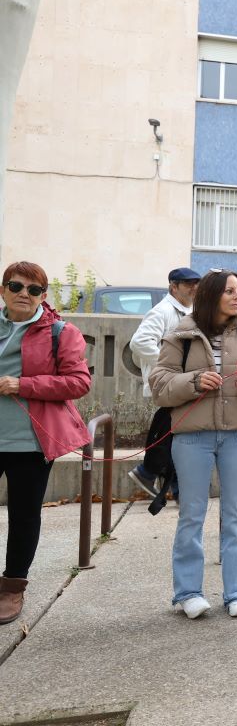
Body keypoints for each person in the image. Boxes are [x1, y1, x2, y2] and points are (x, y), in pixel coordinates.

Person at [150, 270, 237, 619]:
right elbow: (159, 385)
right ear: (211, 295)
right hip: (191, 438)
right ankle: (188, 593)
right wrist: (194, 381)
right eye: (229, 291)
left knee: (236, 515)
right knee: (191, 515)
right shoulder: (181, 335)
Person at [0, 262, 91, 625]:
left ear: (44, 295)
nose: (25, 293)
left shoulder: (60, 332)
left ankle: (12, 586)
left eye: (34, 289)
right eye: (16, 285)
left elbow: (78, 382)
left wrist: (23, 385)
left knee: (23, 515)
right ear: (3, 289)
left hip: (29, 442)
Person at [128, 267, 201, 497]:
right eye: (188, 283)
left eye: (196, 283)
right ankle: (150, 473)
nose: (194, 287)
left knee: (179, 433)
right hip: (170, 381)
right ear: (173, 286)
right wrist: (170, 362)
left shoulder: (188, 310)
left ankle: (166, 482)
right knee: (174, 430)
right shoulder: (162, 311)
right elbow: (139, 342)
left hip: (178, 382)